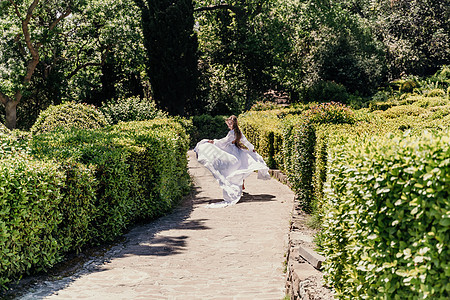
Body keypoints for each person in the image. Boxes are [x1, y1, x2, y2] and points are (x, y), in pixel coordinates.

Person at [194, 115, 271, 208]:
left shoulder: (232, 133)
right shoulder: (239, 132)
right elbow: (245, 142)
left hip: (231, 152)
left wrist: (213, 141)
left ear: (233, 124)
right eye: (228, 124)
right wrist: (251, 149)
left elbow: (224, 142)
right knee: (241, 167)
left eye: (230, 124)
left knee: (227, 169)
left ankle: (237, 185)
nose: (228, 125)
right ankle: (241, 184)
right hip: (236, 151)